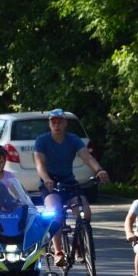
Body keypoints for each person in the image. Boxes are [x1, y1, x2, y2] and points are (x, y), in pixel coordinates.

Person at [34, 108, 109, 266]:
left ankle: (79, 245)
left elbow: (86, 156)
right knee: (56, 213)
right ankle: (58, 251)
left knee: (85, 213)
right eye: (53, 121)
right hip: (50, 184)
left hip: (69, 183)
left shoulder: (73, 139)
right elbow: (39, 164)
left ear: (65, 123)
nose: (56, 124)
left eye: (59, 120)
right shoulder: (42, 140)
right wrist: (46, 178)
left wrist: (99, 170)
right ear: (49, 123)